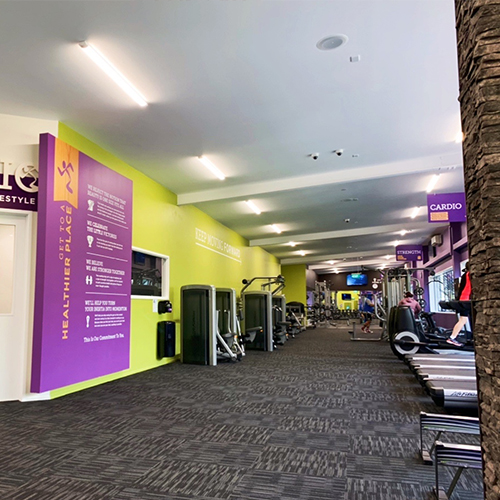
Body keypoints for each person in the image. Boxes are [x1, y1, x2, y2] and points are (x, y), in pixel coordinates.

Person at [447, 262, 472, 347]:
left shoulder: (465, 275)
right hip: (466, 299)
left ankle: (453, 337)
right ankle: (452, 337)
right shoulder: (469, 274)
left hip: (463, 298)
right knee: (463, 320)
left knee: (464, 319)